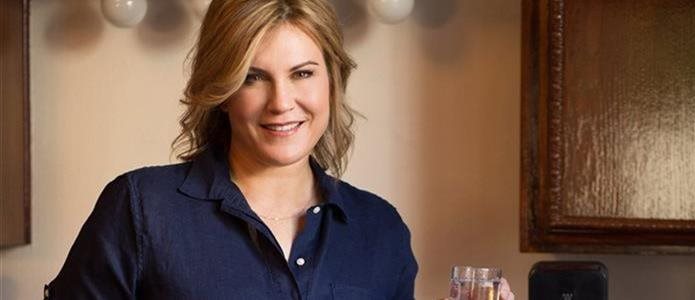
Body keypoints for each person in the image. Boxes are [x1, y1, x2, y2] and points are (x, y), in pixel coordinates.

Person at [47, 1, 514, 299]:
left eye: (303, 73)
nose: (281, 103)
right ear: (222, 90)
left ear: (333, 80)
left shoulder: (381, 230)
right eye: (253, 77)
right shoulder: (140, 208)